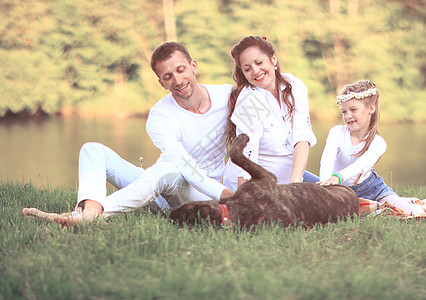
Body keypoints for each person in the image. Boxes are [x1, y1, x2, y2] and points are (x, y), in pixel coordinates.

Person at [22, 41, 234, 225]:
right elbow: (182, 163)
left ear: (193, 66)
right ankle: (91, 211)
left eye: (181, 70)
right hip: (161, 185)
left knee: (162, 172)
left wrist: (224, 192)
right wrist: (225, 194)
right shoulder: (160, 115)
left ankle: (91, 215)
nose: (177, 81)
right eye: (168, 76)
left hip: (202, 194)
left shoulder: (226, 96)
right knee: (92, 150)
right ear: (161, 83)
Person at [317, 80, 425, 216]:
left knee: (411, 212)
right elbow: (327, 158)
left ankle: (390, 204)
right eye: (344, 111)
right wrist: (325, 187)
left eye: (353, 110)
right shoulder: (336, 132)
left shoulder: (378, 143)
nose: (348, 116)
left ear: (371, 109)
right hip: (337, 188)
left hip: (370, 188)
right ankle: (369, 206)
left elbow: (360, 165)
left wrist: (337, 177)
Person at [224, 36, 317, 190]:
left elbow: (302, 136)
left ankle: (371, 205)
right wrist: (244, 196)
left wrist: (295, 186)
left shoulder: (295, 86)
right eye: (247, 69)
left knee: (339, 193)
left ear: (273, 59)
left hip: (291, 179)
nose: (255, 71)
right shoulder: (248, 100)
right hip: (256, 183)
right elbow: (247, 152)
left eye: (259, 62)